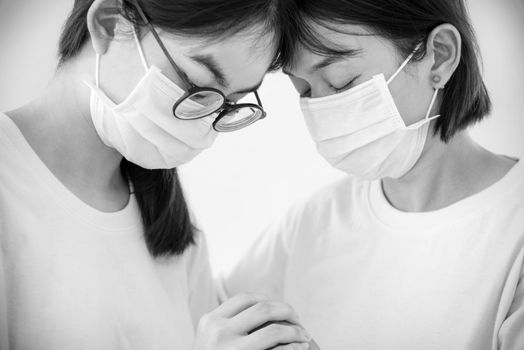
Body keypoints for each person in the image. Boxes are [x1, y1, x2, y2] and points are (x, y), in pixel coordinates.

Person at [0, 0, 313, 349]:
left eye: (228, 103)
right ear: (110, 23)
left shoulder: (171, 227)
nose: (203, 127)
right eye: (197, 85)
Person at [221, 0, 524, 349]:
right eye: (303, 90)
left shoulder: (512, 232)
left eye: (341, 82)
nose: (321, 108)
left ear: (439, 56)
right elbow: (199, 315)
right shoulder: (311, 224)